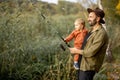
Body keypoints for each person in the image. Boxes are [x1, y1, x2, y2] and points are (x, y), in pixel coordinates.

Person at [69, 8, 109, 80]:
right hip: (81, 64)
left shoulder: (101, 33)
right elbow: (84, 45)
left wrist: (76, 51)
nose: (88, 19)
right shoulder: (91, 30)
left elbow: (91, 52)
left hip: (88, 67)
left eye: (91, 17)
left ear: (97, 19)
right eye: (88, 16)